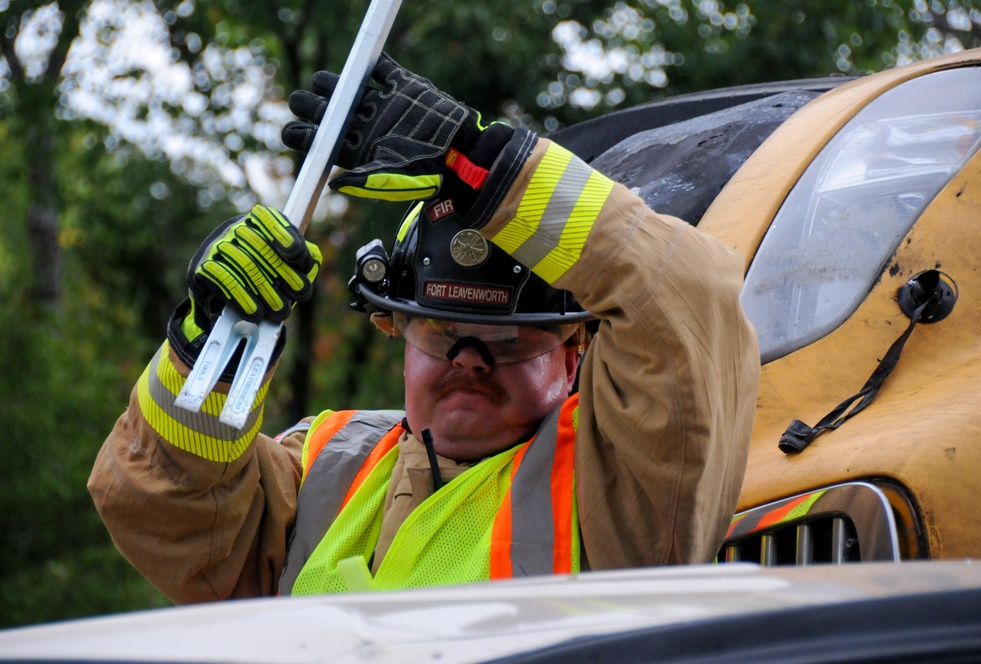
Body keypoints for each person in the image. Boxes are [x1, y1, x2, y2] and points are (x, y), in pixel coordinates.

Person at [88, 54, 759, 603]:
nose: (469, 362)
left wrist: (481, 165)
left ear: (575, 352)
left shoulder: (623, 485)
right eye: (441, 334)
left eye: (508, 343)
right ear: (394, 328)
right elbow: (162, 511)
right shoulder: (324, 466)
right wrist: (213, 349)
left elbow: (691, 301)